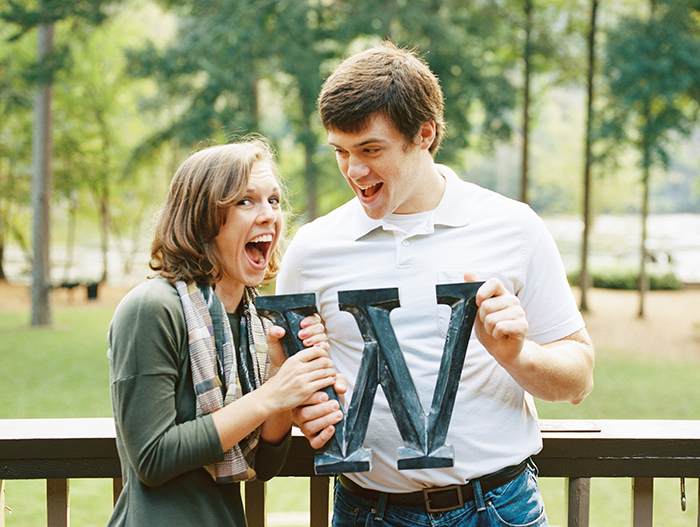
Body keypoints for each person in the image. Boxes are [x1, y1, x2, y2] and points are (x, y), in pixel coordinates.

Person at [277, 42, 595, 527]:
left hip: (497, 508)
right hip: (367, 512)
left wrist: (517, 354)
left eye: (370, 150)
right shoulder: (311, 249)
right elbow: (290, 373)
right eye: (341, 151)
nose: (354, 171)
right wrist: (307, 409)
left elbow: (579, 378)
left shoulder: (514, 227)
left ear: (423, 134)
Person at [107, 138, 338, 526]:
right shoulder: (152, 308)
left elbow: (265, 464)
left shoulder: (253, 322)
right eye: (245, 201)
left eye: (274, 200)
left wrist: (282, 373)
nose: (268, 215)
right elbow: (152, 457)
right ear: (202, 218)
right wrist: (270, 396)